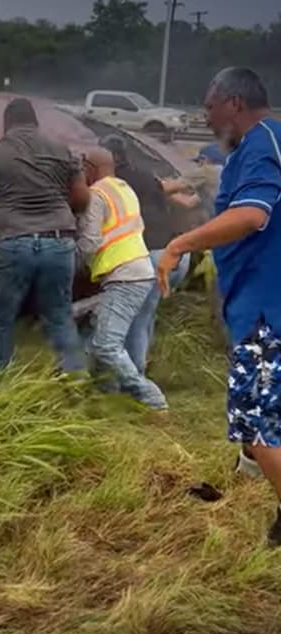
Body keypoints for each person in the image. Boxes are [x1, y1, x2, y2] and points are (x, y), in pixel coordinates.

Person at [157, 67, 281, 547]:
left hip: (264, 311)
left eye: (208, 107)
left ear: (232, 103)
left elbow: (252, 215)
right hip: (258, 302)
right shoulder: (264, 142)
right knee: (256, 428)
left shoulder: (259, 143)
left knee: (258, 427)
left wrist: (180, 244)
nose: (205, 116)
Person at [0, 98, 91, 379]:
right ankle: (77, 381)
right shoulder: (62, 150)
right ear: (35, 122)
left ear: (7, 124)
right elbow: (82, 198)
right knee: (59, 316)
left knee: (1, 318)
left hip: (15, 242)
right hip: (59, 242)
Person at [76, 148, 168, 411]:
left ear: (90, 167)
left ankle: (152, 399)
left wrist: (69, 261)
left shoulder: (97, 195)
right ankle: (105, 392)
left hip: (123, 274)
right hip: (137, 270)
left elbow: (90, 242)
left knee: (106, 344)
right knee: (97, 331)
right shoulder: (124, 189)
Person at [100, 134, 202, 372]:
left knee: (135, 319)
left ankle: (136, 380)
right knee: (146, 314)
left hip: (154, 256)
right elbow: (175, 196)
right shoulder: (145, 176)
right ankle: (142, 365)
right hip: (176, 253)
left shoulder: (114, 181)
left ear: (112, 158)